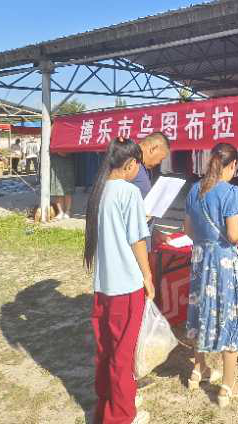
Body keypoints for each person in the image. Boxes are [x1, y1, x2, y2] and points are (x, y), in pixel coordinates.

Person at [84, 137, 153, 424]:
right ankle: (122, 416)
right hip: (126, 284)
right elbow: (137, 240)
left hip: (104, 284)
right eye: (138, 165)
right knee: (124, 354)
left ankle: (107, 404)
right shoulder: (129, 191)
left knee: (107, 351)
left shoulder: (99, 189)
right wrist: (148, 275)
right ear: (130, 164)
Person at [183, 142, 238, 408]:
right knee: (228, 317)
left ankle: (198, 369)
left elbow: (188, 229)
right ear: (233, 165)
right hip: (222, 262)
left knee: (200, 312)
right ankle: (228, 386)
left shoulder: (194, 189)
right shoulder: (232, 192)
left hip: (200, 259)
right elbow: (233, 235)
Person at [131, 133, 171, 248]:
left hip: (141, 242)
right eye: (161, 159)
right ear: (153, 149)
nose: (159, 163)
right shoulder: (130, 166)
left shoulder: (144, 168)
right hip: (133, 246)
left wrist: (154, 233)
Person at [50, 151, 76, 220]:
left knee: (67, 189)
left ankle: (68, 211)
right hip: (55, 162)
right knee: (57, 189)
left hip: (67, 162)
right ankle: (60, 212)